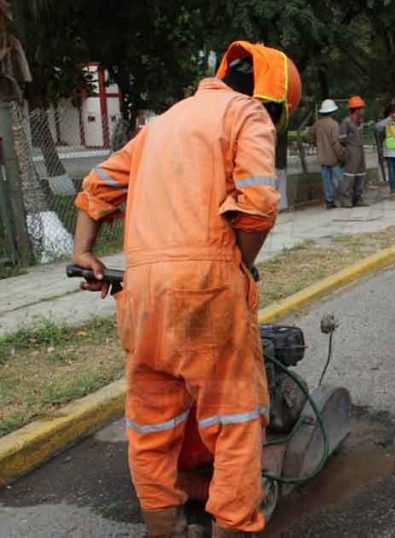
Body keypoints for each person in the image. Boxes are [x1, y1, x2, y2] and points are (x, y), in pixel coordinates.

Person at [71, 40, 301, 538]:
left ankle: (164, 524)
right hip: (206, 289)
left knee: (152, 421)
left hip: (141, 295)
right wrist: (238, 265)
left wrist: (84, 253)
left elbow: (97, 185)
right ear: (273, 101)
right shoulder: (247, 115)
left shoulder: (163, 123)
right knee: (236, 417)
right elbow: (258, 205)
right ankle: (234, 527)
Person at [310, 99, 344, 208]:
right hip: (334, 158)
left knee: (326, 181)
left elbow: (309, 136)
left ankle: (329, 201)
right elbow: (336, 143)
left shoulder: (317, 124)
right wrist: (342, 156)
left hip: (323, 157)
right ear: (333, 112)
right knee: (341, 179)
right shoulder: (334, 125)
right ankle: (344, 197)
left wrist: (316, 143)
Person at [338, 96, 368, 207]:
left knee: (361, 173)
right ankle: (346, 199)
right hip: (351, 150)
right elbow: (341, 138)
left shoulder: (360, 122)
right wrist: (350, 144)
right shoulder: (346, 122)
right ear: (356, 109)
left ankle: (358, 198)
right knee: (349, 175)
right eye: (361, 108)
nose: (362, 111)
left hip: (360, 150)